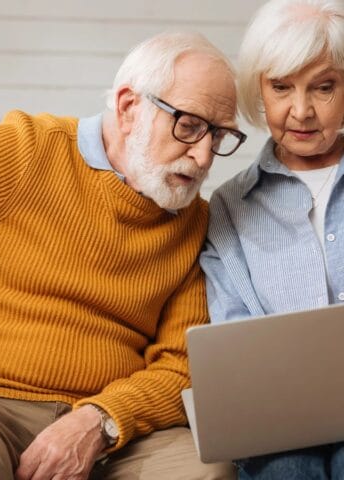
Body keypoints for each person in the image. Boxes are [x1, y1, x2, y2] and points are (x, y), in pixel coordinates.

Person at [0, 31, 246, 480]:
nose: (204, 157)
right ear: (129, 108)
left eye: (219, 135)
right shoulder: (23, 149)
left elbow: (183, 365)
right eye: (189, 125)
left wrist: (100, 420)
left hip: (113, 426)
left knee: (209, 470)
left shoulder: (198, 221)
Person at [200, 0, 344, 478]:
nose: (300, 112)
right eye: (281, 87)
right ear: (259, 88)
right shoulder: (228, 206)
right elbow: (236, 342)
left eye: (324, 87)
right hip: (283, 433)